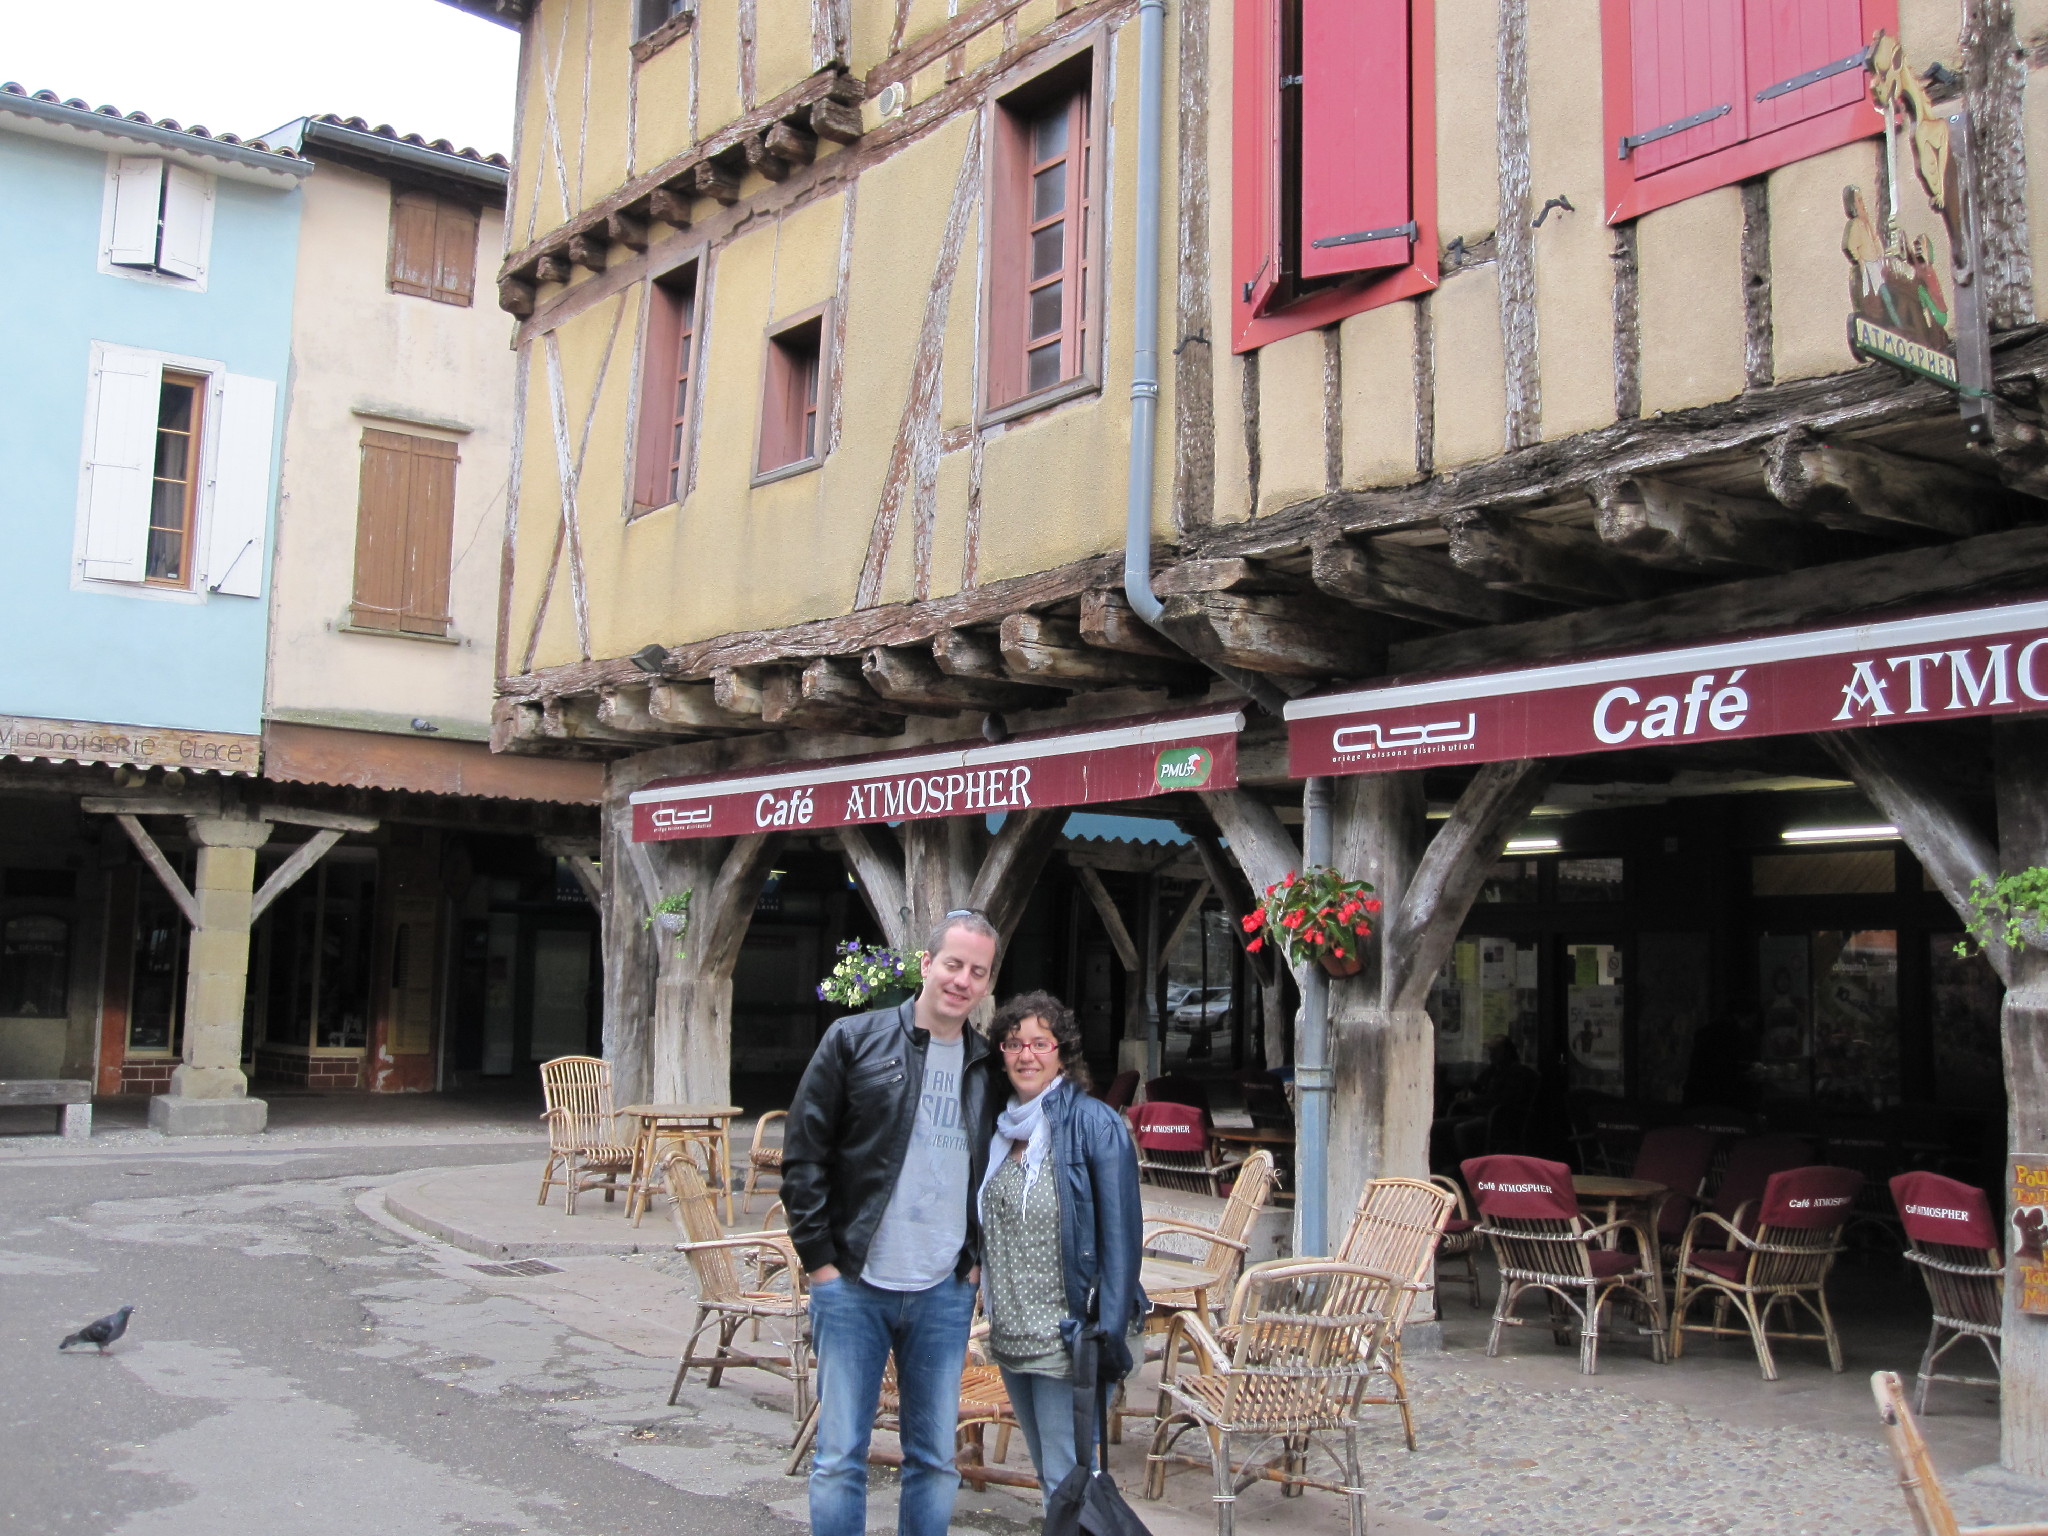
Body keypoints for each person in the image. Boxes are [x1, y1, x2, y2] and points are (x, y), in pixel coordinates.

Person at [783, 911, 1001, 1536]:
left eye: (977, 971)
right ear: (926, 964)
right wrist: (821, 1265)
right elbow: (804, 1156)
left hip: (943, 1289)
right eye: (953, 964)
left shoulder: (989, 1067)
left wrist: (974, 1263)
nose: (962, 981)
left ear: (987, 983)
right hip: (853, 1283)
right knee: (839, 1457)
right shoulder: (854, 1039)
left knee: (934, 1460)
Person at [975, 990, 1144, 1506]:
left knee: (1066, 1479)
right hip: (1012, 1335)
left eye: (1040, 1043)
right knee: (1052, 1474)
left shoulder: (1094, 1124)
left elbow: (1121, 1241)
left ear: (1063, 1053)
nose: (1026, 1055)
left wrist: (1104, 1335)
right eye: (1013, 1044)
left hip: (1067, 1337)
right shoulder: (998, 1128)